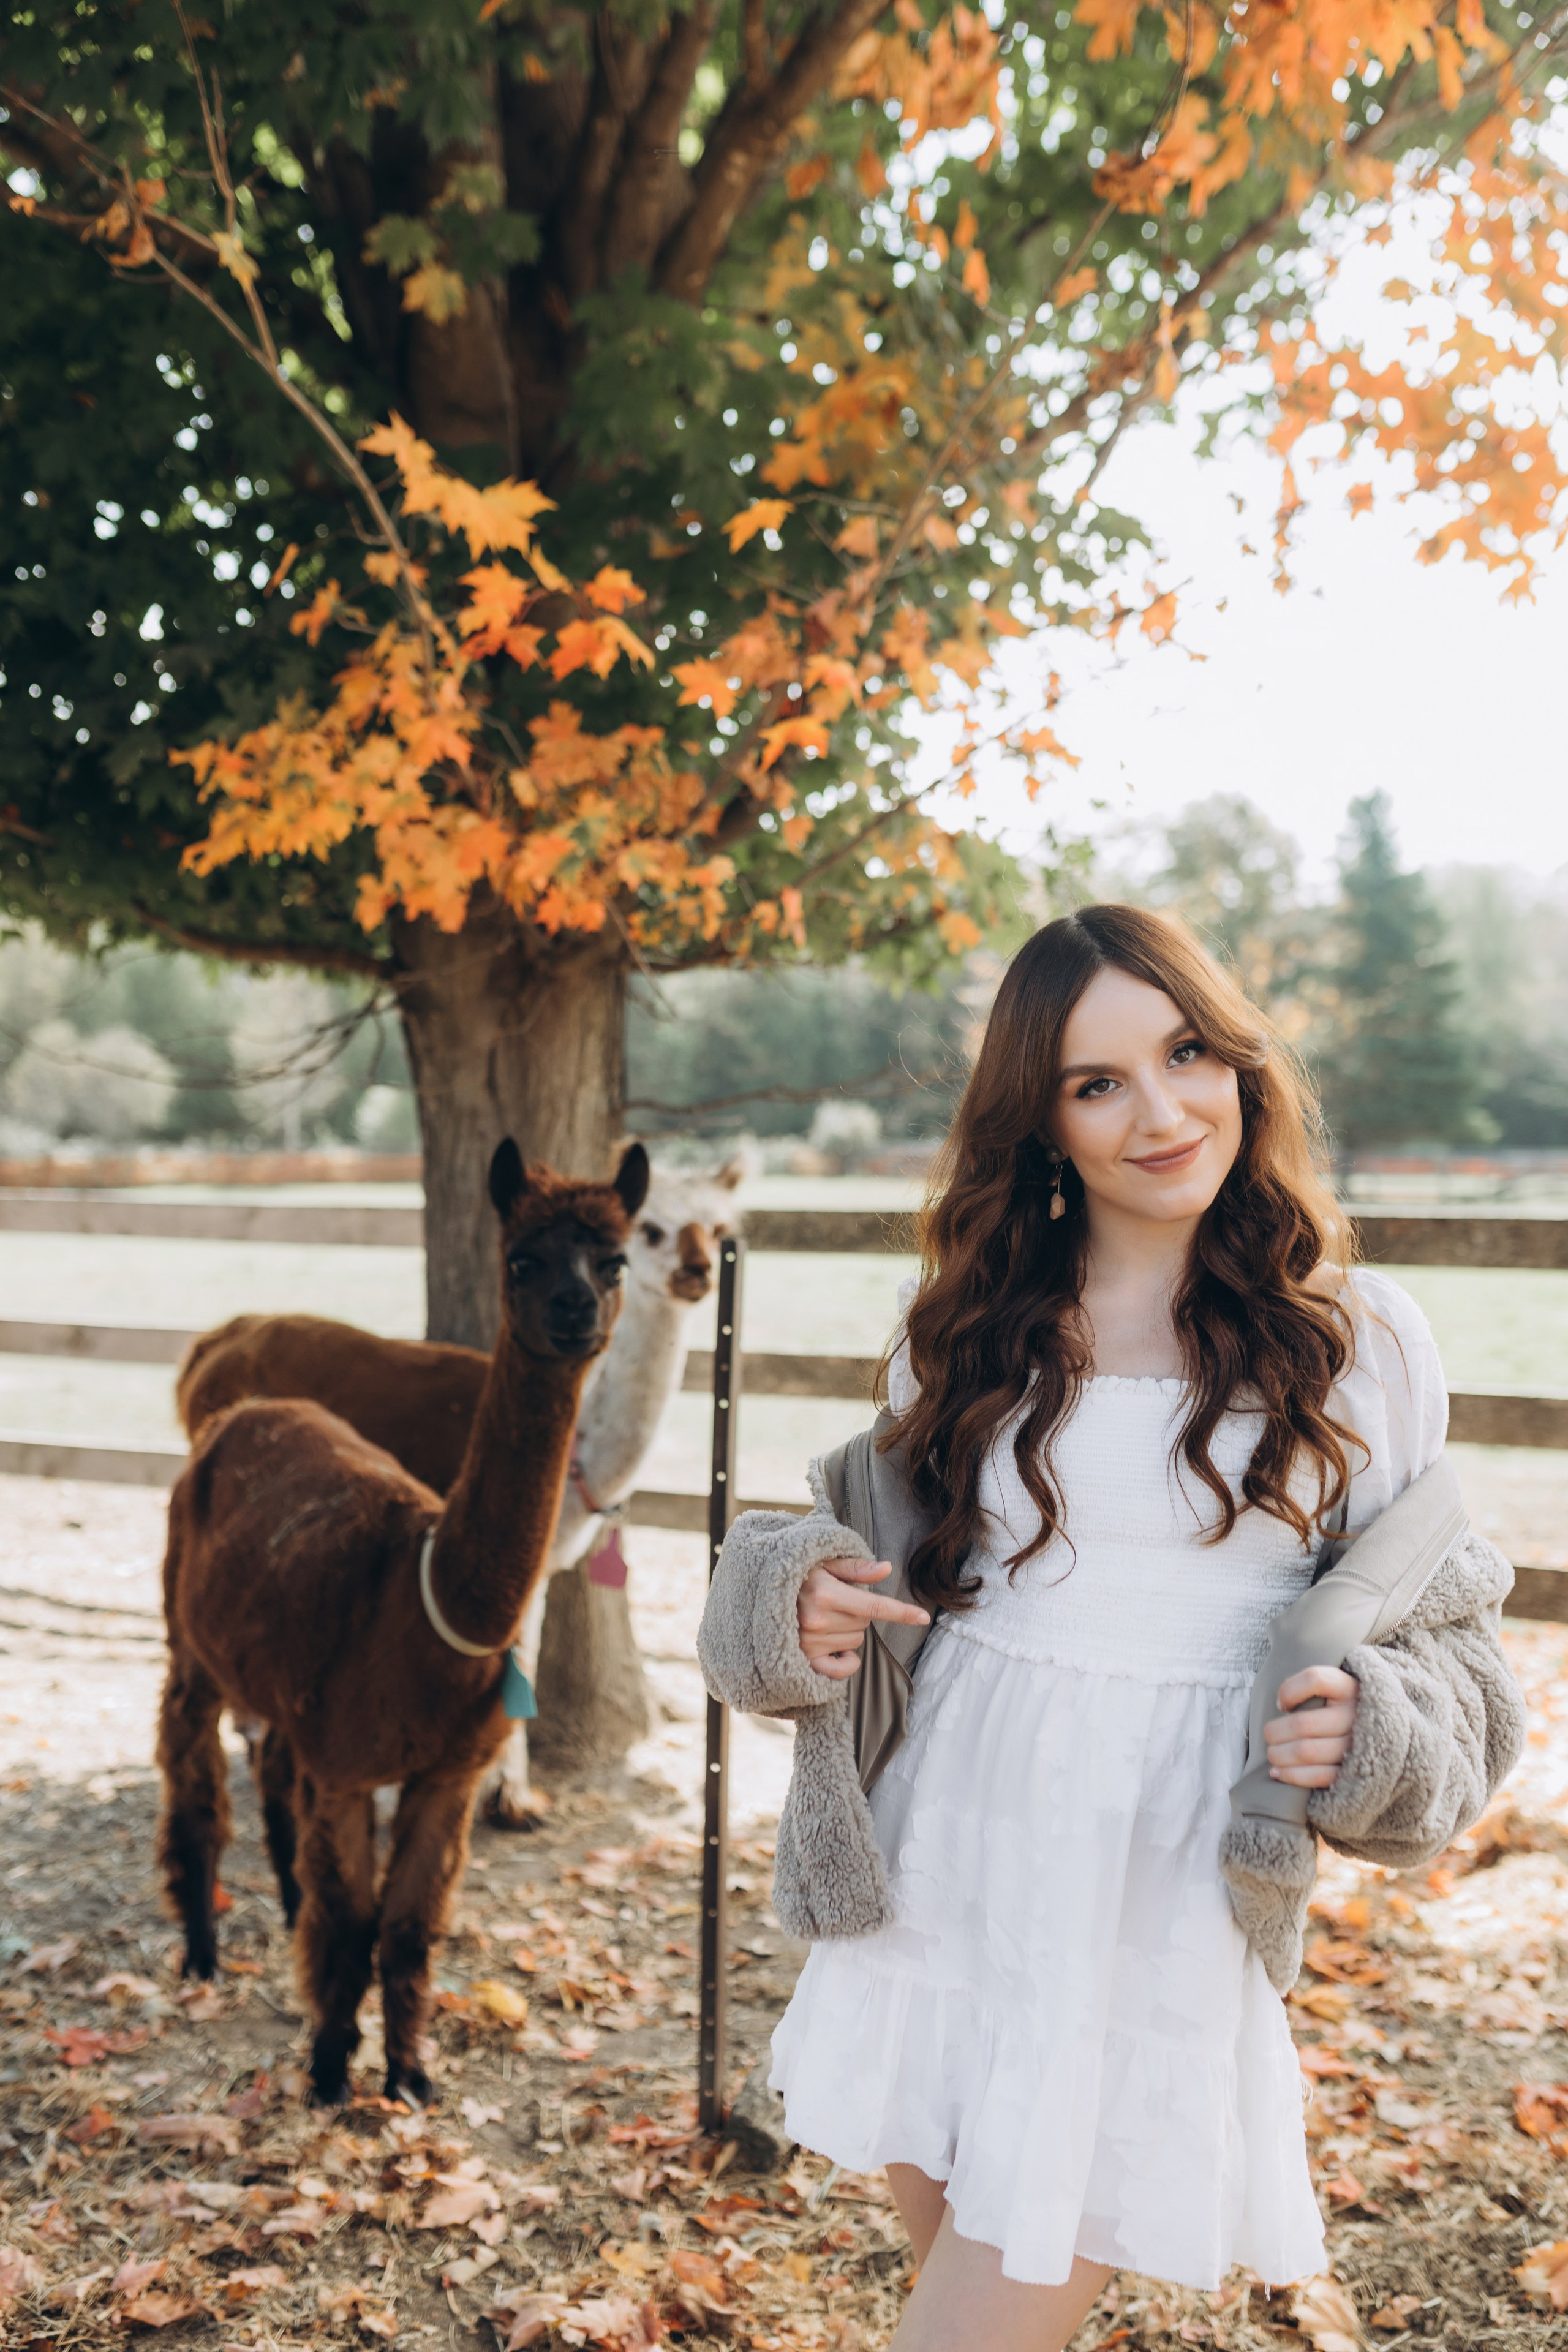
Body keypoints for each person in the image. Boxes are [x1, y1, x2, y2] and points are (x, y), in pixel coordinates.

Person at [699, 904, 1524, 2352]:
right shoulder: (962, 1325)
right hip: (940, 1851)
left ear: (1239, 1062)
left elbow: (1453, 1649)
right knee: (964, 2296)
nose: (1161, 1111)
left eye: (1187, 1052)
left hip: (1160, 1883)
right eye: (1097, 1084)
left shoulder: (1360, 1342)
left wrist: (1371, 1731)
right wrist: (805, 1598)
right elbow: (876, 1572)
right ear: (1042, 1123)